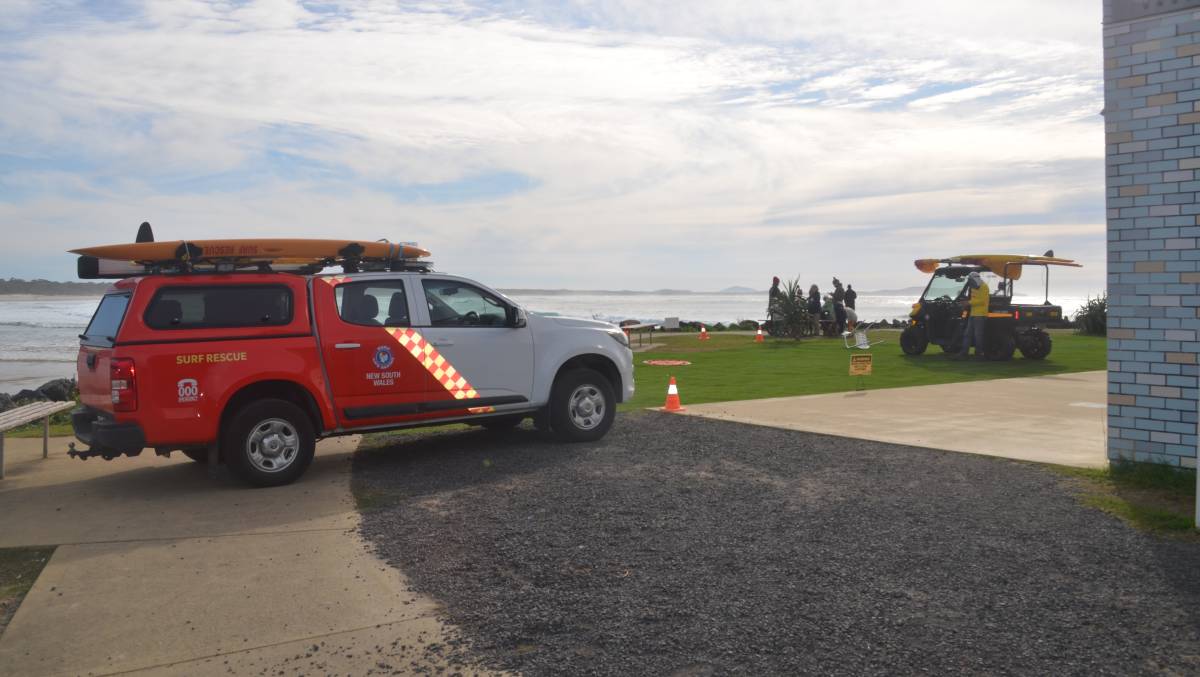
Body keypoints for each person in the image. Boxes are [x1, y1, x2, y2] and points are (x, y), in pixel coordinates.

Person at [958, 271, 990, 359]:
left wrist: (968, 303)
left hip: (980, 314)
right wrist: (966, 303)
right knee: (968, 334)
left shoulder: (984, 287)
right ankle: (964, 352)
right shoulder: (974, 287)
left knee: (978, 335)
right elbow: (974, 299)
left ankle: (979, 353)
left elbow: (982, 301)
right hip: (973, 314)